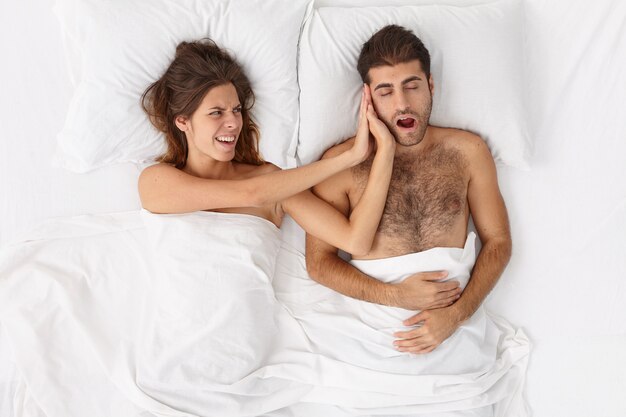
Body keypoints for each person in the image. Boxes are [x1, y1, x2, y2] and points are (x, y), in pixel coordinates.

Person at [305, 24, 512, 355]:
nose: (402, 104)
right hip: (370, 338)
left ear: (430, 85)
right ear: (368, 98)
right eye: (386, 92)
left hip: (456, 336)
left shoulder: (468, 151)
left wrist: (457, 316)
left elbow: (498, 241)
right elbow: (319, 263)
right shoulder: (340, 165)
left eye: (412, 86)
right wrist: (395, 295)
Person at [139, 39, 395, 254]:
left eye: (236, 110)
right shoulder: (155, 181)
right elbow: (252, 195)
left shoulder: (274, 184)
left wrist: (385, 150)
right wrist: (349, 157)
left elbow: (356, 242)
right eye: (216, 113)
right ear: (183, 121)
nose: (233, 123)